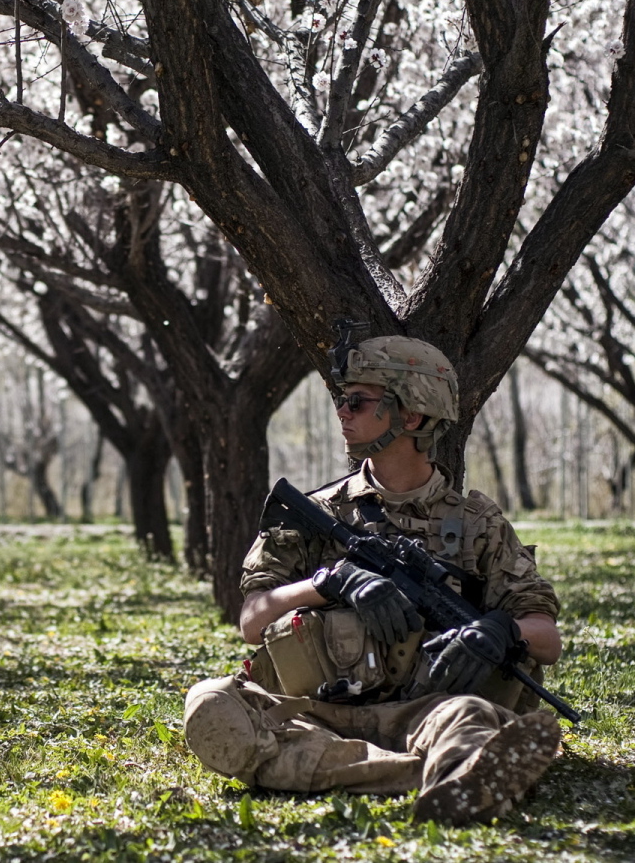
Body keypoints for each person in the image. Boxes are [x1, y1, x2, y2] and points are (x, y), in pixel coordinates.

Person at [182, 332, 566, 825]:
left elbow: (547, 640)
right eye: (342, 400)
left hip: (430, 711)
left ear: (412, 416)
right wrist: (329, 582)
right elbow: (253, 622)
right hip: (315, 713)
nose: (342, 412)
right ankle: (441, 774)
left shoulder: (477, 524)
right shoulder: (317, 514)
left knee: (468, 718)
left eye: (358, 401)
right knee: (211, 704)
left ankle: (449, 764)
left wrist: (502, 630)